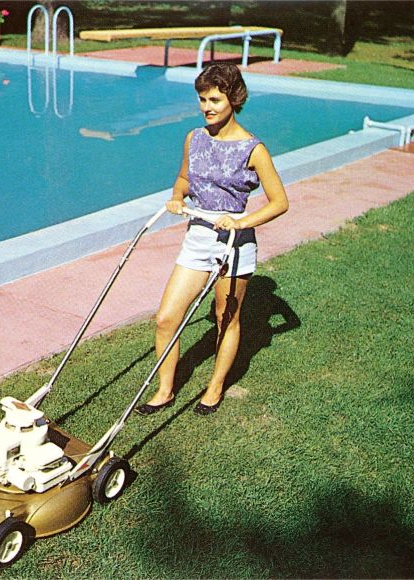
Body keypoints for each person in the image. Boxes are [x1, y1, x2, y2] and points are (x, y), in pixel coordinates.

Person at [136, 63, 289, 417]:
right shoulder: (195, 138)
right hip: (199, 237)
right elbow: (184, 178)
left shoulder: (254, 149)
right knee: (166, 318)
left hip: (235, 244)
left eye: (215, 99)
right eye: (202, 99)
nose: (207, 107)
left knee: (225, 319)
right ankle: (164, 390)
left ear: (234, 98)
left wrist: (242, 221)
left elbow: (280, 202)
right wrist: (177, 196)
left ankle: (215, 387)